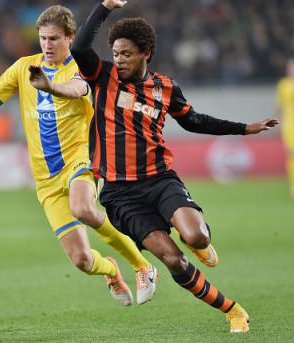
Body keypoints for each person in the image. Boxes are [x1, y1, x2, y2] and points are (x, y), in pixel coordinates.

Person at [0, 5, 158, 306]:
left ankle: (143, 266)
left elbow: (75, 90)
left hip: (80, 159)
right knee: (82, 260)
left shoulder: (83, 67)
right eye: (43, 38)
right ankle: (111, 270)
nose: (47, 45)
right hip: (45, 179)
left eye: (54, 39)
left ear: (70, 37)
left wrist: (49, 86)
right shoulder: (22, 68)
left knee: (83, 209)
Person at [71, 0, 279, 333]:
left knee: (194, 236)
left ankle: (200, 241)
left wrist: (244, 128)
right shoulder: (102, 76)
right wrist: (104, 7)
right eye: (115, 51)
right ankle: (233, 310)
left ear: (146, 53)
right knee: (173, 259)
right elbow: (79, 46)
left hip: (159, 179)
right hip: (120, 194)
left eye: (126, 53)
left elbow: (194, 121)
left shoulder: (165, 88)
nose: (119, 58)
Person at [276, 58, 294, 198]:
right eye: (290, 67)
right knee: (291, 153)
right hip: (289, 122)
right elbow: (280, 106)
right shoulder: (283, 84)